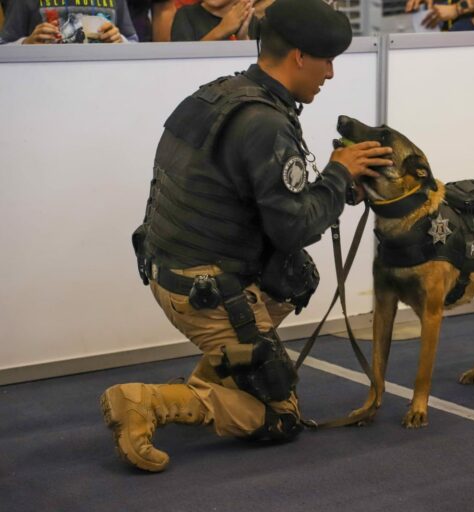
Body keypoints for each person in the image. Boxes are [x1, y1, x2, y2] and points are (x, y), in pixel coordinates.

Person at [100, 0, 393, 473]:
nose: (332, 74)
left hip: (171, 269)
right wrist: (338, 177)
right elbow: (293, 225)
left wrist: (339, 184)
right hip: (205, 288)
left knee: (294, 276)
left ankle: (230, 362)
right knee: (278, 418)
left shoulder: (221, 94)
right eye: (327, 61)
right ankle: (148, 402)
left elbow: (257, 203)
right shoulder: (265, 122)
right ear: (299, 56)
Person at [0, 0, 138, 44]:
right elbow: (4, 48)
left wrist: (119, 40)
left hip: (104, 86)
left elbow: (133, 43)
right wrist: (26, 43)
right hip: (42, 89)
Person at [171, 0, 263, 41]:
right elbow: (182, 62)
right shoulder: (186, 15)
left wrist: (243, 39)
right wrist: (221, 30)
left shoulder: (251, 20)